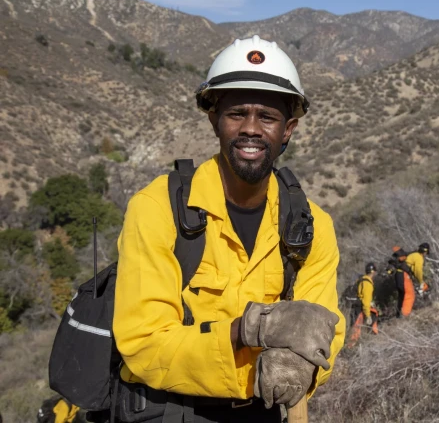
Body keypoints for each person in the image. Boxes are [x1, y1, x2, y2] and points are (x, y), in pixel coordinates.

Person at [113, 36, 345, 422]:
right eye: (237, 113)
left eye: (267, 117)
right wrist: (248, 331)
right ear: (214, 119)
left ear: (288, 129)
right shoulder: (157, 210)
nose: (250, 129)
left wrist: (302, 369)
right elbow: (143, 343)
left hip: (266, 410)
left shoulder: (313, 227)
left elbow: (324, 334)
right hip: (172, 410)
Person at [347, 263, 379, 347]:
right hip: (360, 309)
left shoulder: (361, 280)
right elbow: (366, 301)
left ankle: (351, 346)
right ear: (374, 272)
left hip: (356, 307)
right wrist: (368, 316)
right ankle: (350, 348)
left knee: (354, 328)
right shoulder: (367, 283)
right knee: (355, 331)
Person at [388, 248, 416, 317]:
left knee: (401, 295)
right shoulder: (401, 261)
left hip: (398, 277)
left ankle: (398, 314)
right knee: (409, 294)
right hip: (402, 276)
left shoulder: (394, 261)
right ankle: (405, 314)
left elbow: (390, 270)